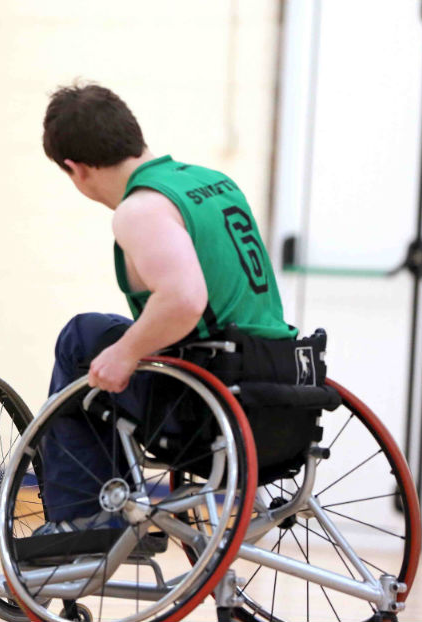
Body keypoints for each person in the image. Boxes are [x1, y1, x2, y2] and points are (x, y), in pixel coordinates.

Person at [37, 83, 296, 533]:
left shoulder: (140, 209)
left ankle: (86, 520)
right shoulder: (210, 181)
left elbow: (184, 300)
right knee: (103, 336)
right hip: (282, 375)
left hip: (211, 393)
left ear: (75, 170)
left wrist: (126, 353)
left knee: (83, 340)